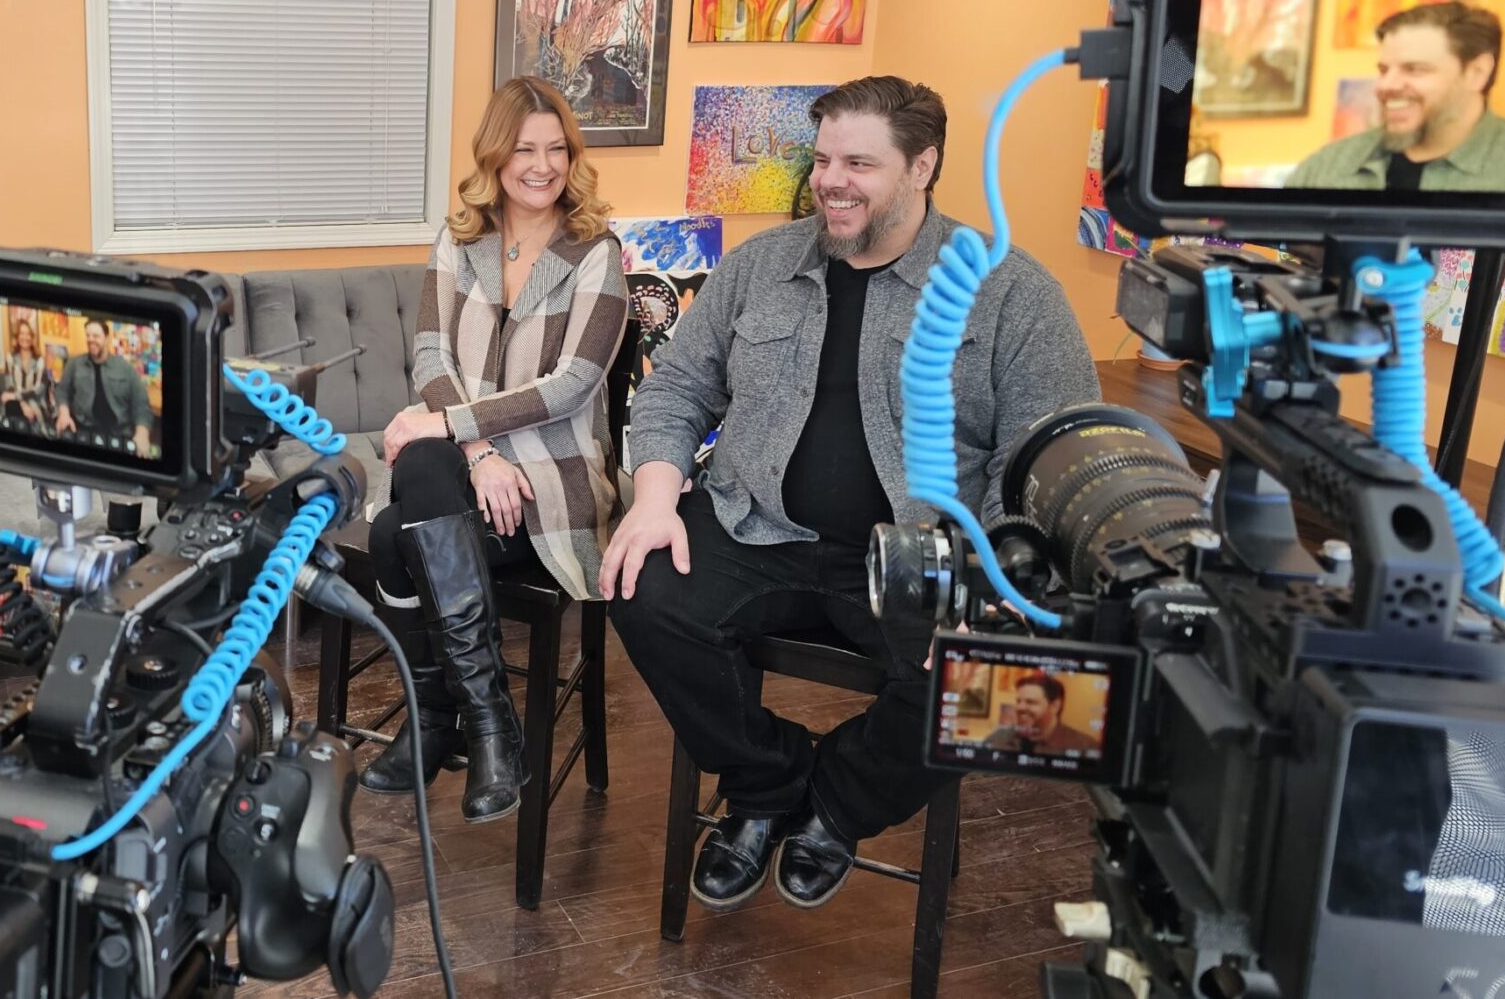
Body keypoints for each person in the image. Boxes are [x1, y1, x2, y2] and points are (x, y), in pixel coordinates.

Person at [604, 76, 1100, 913]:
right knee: (641, 586)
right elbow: (676, 388)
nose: (831, 179)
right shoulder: (762, 264)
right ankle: (767, 786)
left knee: (1017, 691)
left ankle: (836, 804)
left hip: (921, 550)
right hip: (755, 523)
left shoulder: (1012, 291)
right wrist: (654, 497)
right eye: (824, 158)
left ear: (923, 166)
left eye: (859, 162)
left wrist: (1001, 570)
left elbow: (1053, 454)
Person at [358, 76, 630, 824]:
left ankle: (444, 721)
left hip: (554, 477)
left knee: (393, 526)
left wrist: (454, 432)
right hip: (473, 472)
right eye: (524, 148)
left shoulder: (597, 253)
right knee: (413, 484)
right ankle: (485, 724)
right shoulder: (460, 238)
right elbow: (429, 358)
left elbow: (573, 384)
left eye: (557, 149)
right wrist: (477, 452)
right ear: (495, 154)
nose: (542, 165)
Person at [1285, 2, 1505, 191]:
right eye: (1383, 70)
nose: (1386, 85)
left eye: (1414, 69)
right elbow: (1272, 257)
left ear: (1477, 73)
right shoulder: (1328, 166)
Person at [54, 319, 154, 454]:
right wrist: (64, 414)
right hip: (84, 431)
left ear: (107, 338)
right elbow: (62, 391)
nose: (90, 340)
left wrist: (142, 433)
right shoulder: (74, 364)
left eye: (95, 336)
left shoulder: (125, 368)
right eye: (88, 336)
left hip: (119, 434)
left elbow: (141, 404)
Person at [984, 674, 1098, 757]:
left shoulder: (1085, 746)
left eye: (1031, 702)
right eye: (1018, 701)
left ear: (1055, 706)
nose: (1020, 708)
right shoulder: (998, 738)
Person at [0, 318, 50, 430]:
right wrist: (22, 404)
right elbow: (10, 386)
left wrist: (18, 397)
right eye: (22, 333)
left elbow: (39, 390)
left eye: (28, 334)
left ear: (32, 338)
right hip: (16, 403)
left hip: (35, 402)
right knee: (10, 404)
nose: (25, 337)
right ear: (17, 337)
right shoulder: (10, 359)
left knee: (24, 408)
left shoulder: (40, 361)